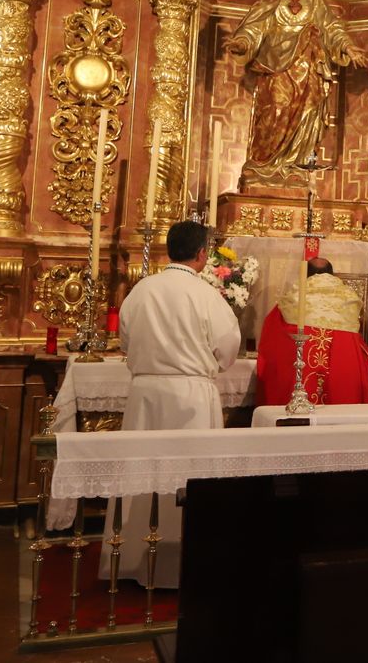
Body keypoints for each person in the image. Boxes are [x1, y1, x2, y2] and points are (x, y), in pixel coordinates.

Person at [113, 220, 242, 588]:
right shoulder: (204, 295)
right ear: (202, 254)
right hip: (191, 397)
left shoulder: (142, 290)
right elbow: (227, 345)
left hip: (146, 396)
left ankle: (133, 560)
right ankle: (180, 564)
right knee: (187, 477)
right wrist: (208, 368)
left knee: (141, 475)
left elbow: (125, 339)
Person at [223, 0, 368, 183]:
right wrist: (243, 42)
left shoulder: (315, 1)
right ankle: (265, 165)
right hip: (277, 69)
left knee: (306, 115)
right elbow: (255, 26)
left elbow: (332, 29)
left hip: (308, 68)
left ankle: (294, 166)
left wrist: (347, 46)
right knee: (275, 112)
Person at [253, 256, 368, 406]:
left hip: (300, 371)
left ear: (305, 275)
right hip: (344, 367)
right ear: (332, 274)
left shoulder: (293, 297)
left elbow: (271, 341)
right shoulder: (350, 298)